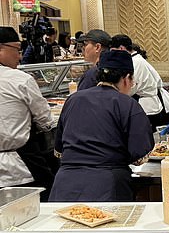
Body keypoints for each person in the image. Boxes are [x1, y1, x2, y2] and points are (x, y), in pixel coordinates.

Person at [49, 50, 154, 201]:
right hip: (107, 186)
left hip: (65, 185)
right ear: (126, 79)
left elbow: (59, 150)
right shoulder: (128, 104)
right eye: (132, 81)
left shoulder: (73, 100)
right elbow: (140, 157)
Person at [0, 27, 56, 199]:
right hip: (20, 167)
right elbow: (45, 120)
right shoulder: (20, 79)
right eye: (17, 49)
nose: (20, 56)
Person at [110, 34, 169, 131]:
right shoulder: (136, 59)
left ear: (121, 48)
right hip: (154, 103)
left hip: (151, 107)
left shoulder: (135, 62)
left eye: (113, 51)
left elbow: (130, 88)